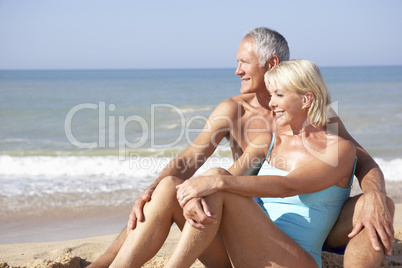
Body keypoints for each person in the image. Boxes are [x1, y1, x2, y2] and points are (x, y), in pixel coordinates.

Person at [89, 27, 394, 267]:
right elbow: (192, 158)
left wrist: (377, 195)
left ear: (273, 65)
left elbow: (359, 163)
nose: (237, 71)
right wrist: (156, 189)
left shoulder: (326, 126)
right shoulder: (239, 114)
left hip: (308, 230)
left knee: (379, 204)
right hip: (248, 228)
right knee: (170, 186)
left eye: (243, 62)